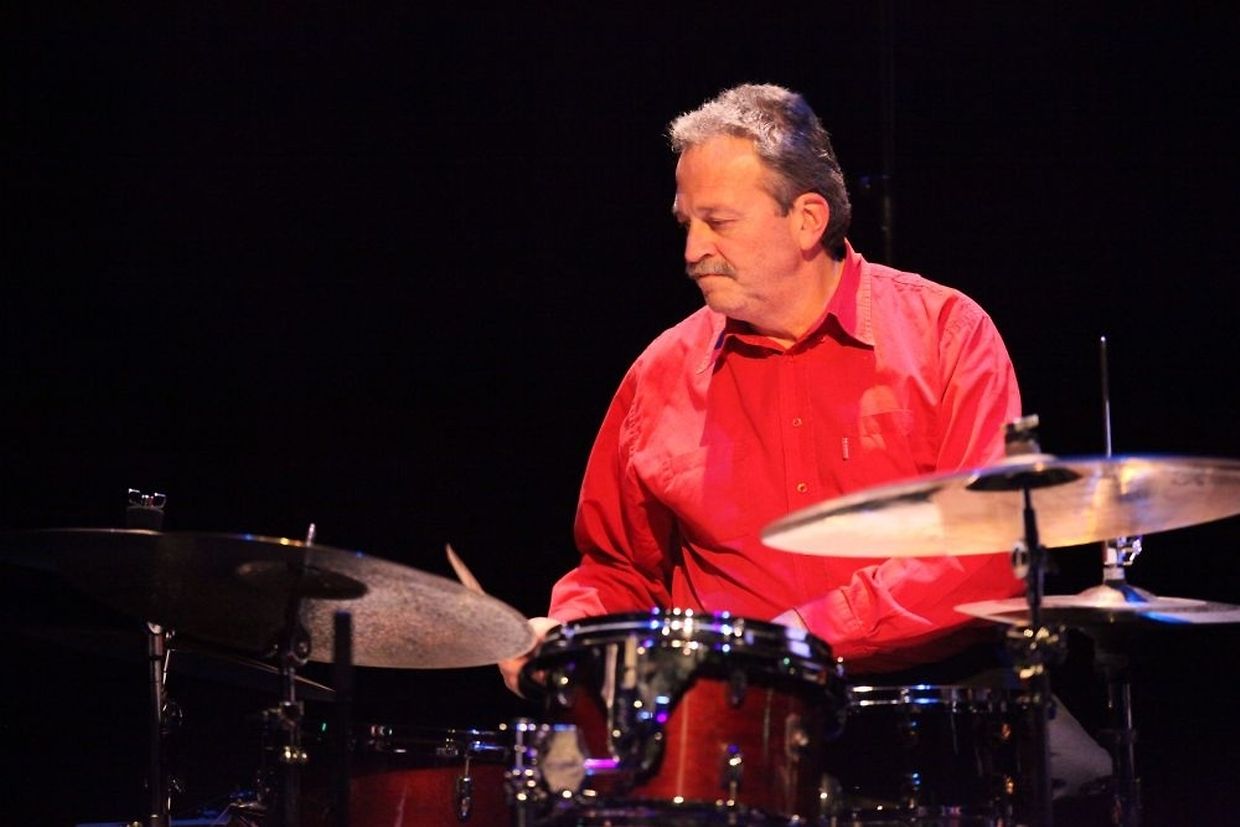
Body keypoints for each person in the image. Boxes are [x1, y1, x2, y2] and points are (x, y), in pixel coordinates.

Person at [499, 82, 1109, 797]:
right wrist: (569, 635)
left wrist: (794, 639)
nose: (693, 250)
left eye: (719, 222)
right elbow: (618, 568)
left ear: (807, 220)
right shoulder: (660, 372)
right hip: (734, 719)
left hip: (932, 698)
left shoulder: (948, 334)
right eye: (686, 223)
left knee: (1081, 781)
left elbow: (986, 551)